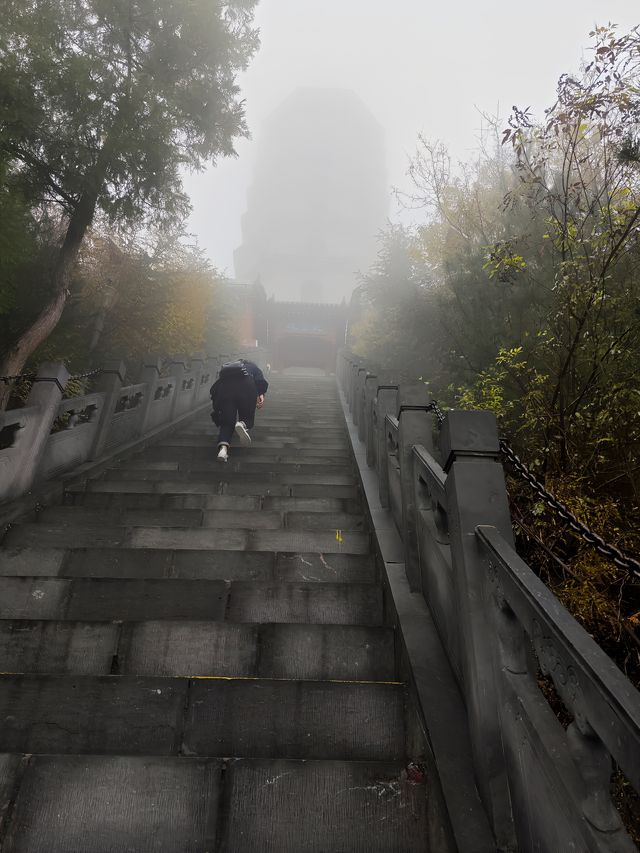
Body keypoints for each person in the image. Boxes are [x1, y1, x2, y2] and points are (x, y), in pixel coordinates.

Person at [209, 359, 268, 463]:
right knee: (247, 417)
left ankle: (223, 450)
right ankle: (242, 424)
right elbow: (260, 381)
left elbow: (216, 388)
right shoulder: (253, 367)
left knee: (227, 423)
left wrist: (217, 408)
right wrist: (261, 395)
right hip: (246, 387)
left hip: (225, 390)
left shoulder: (229, 371)